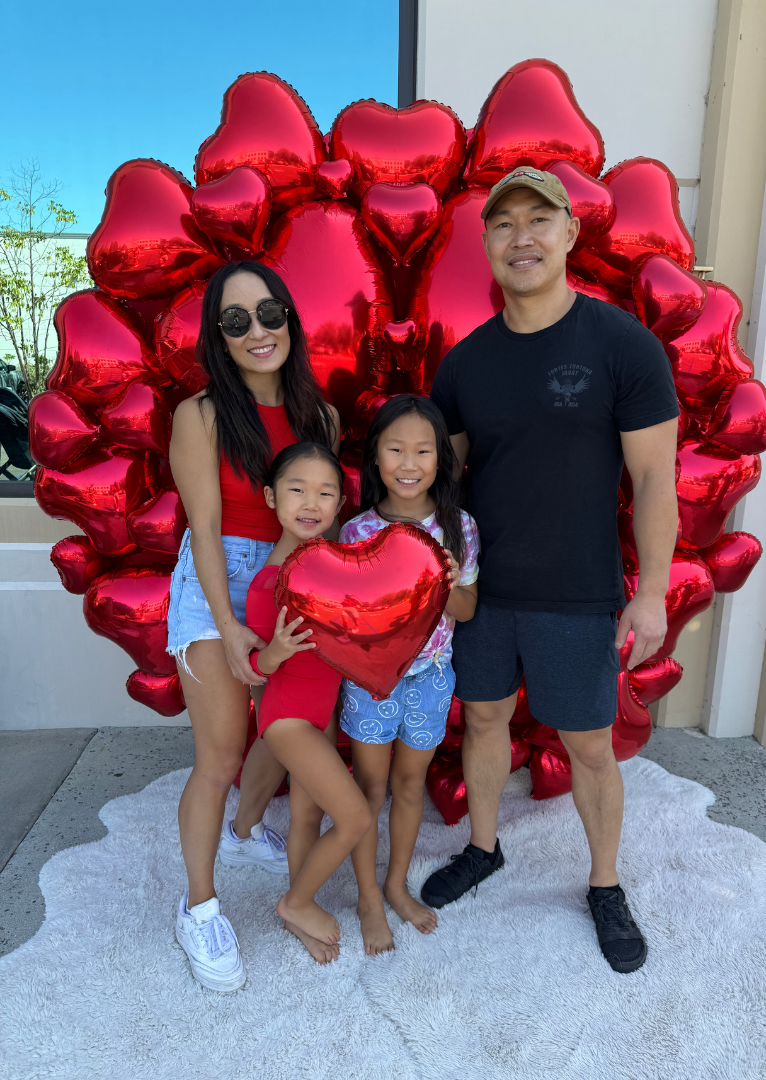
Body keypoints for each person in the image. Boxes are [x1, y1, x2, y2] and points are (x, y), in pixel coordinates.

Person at [426, 166, 680, 973]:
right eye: (504, 225)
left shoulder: (622, 346)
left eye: (540, 220)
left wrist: (650, 595)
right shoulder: (465, 366)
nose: (522, 237)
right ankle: (485, 846)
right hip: (485, 594)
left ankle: (605, 884)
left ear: (571, 233)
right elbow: (444, 488)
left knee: (591, 747)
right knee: (485, 721)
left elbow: (653, 481)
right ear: (487, 244)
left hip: (577, 592)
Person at [165, 261, 339, 991]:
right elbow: (204, 526)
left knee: (288, 726)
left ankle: (243, 834)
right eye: (235, 321)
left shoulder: (320, 416)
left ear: (289, 319)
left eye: (268, 313)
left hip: (294, 572)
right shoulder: (200, 414)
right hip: (216, 581)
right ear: (218, 336)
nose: (257, 331)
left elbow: (317, 509)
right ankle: (198, 906)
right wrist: (232, 625)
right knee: (221, 752)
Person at [336, 395, 480, 954]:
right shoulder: (355, 531)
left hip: (431, 677)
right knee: (370, 788)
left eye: (423, 450)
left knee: (410, 784)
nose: (409, 462)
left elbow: (467, 610)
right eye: (396, 449)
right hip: (372, 680)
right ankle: (368, 895)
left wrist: (445, 583)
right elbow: (345, 613)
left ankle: (395, 883)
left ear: (442, 460)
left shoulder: (458, 527)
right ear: (375, 457)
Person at [243, 442, 375, 965]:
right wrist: (273, 653)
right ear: (273, 498)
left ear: (340, 504)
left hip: (319, 717)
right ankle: (295, 902)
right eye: (297, 489)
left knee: (305, 816)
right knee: (356, 818)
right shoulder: (267, 584)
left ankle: (303, 906)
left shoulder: (334, 569)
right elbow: (250, 668)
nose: (310, 502)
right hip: (287, 720)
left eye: (325, 492)